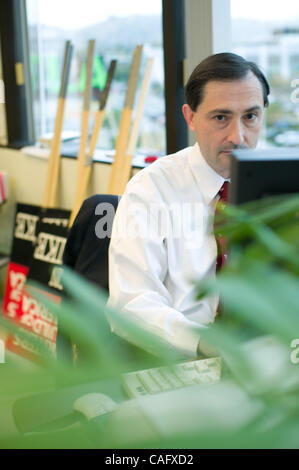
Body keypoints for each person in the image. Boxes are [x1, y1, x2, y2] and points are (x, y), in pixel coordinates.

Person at [107, 52, 270, 359]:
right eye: (221, 117)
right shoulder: (151, 189)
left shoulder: (281, 185)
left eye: (250, 116)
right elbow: (131, 304)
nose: (238, 137)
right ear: (190, 117)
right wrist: (206, 344)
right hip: (179, 357)